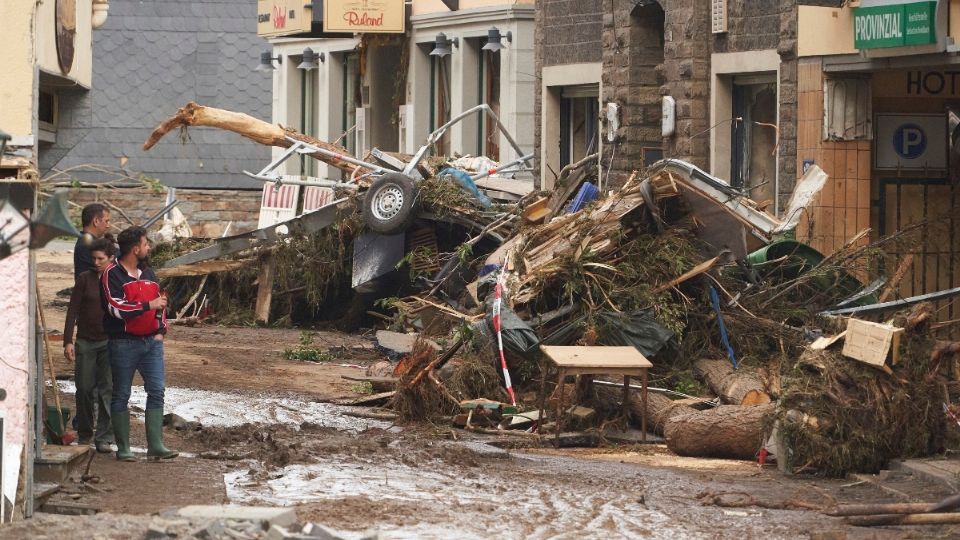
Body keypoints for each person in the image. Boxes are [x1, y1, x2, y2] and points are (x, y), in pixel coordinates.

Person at [101, 226, 177, 461]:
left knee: (157, 390)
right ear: (135, 249)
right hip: (123, 343)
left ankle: (156, 446)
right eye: (146, 244)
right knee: (121, 393)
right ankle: (124, 449)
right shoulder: (112, 274)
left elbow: (161, 302)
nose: (148, 248)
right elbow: (115, 308)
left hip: (151, 343)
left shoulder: (149, 273)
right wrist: (147, 306)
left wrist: (161, 329)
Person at [63, 237, 116, 453]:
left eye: (100, 259)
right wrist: (68, 341)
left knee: (107, 390)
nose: (96, 262)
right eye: (93, 258)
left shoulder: (117, 280)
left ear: (111, 259)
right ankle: (85, 432)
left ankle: (104, 437)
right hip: (85, 341)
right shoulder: (85, 279)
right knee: (84, 388)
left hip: (110, 342)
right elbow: (72, 310)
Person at [75, 203, 111, 281]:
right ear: (96, 221)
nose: (108, 225)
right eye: (106, 221)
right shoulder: (89, 244)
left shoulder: (85, 240)